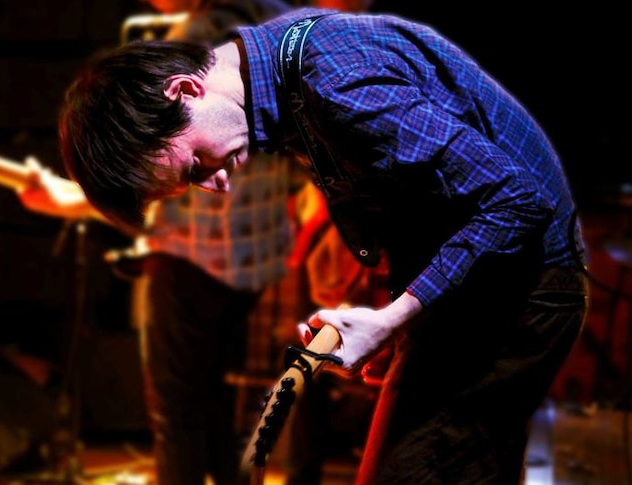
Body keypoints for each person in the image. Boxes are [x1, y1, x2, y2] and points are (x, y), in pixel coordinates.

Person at [55, 6, 590, 484]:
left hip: (524, 288)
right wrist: (396, 324)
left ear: (184, 91)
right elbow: (433, 197)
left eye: (196, 164)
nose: (215, 185)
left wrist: (394, 318)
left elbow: (515, 202)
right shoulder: (279, 65)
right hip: (486, 286)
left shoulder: (335, 81)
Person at [24, 1, 296, 483]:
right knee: (208, 397)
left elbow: (165, 179)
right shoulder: (272, 13)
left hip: (195, 258)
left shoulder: (192, 39)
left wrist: (71, 202)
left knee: (176, 413)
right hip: (258, 259)